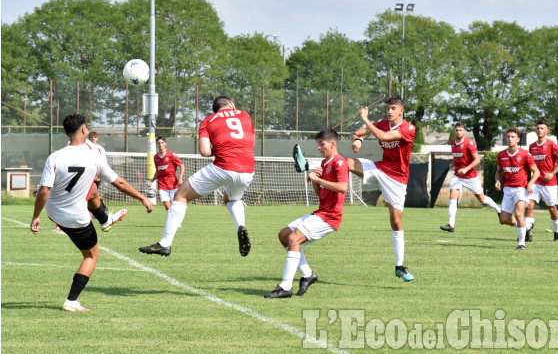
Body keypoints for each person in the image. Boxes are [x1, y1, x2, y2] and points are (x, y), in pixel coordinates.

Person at [30, 114, 153, 312]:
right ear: (84, 130)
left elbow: (44, 191)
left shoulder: (55, 156)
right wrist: (143, 198)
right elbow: (119, 182)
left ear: (65, 132)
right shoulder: (94, 156)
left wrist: (36, 216)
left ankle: (105, 220)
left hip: (54, 212)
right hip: (76, 218)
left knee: (93, 191)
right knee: (91, 256)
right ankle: (71, 301)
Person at [139, 96, 255, 257]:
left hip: (223, 166)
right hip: (247, 168)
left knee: (180, 195)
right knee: (231, 198)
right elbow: (251, 144)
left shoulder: (208, 121)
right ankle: (241, 226)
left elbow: (205, 152)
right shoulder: (244, 115)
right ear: (230, 104)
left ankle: (165, 244)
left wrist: (220, 149)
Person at [265, 128, 349, 298]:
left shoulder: (339, 162)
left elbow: (342, 188)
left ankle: (285, 287)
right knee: (284, 235)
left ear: (332, 144)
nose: (319, 147)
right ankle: (308, 274)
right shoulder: (325, 164)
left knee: (293, 238)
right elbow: (320, 193)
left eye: (321, 144)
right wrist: (314, 180)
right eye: (318, 144)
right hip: (320, 212)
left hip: (330, 216)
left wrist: (318, 179)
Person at [347, 96, 415, 282]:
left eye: (393, 108)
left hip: (397, 179)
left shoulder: (408, 128)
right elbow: (355, 133)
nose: (390, 111)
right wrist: (358, 140)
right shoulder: (382, 123)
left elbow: (383, 136)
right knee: (346, 163)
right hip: (379, 168)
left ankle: (399, 267)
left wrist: (366, 119)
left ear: (401, 110)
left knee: (395, 221)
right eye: (388, 108)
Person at [440, 123, 501, 232]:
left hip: (470, 176)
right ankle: (451, 225)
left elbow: (477, 160)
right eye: (456, 130)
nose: (458, 132)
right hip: (458, 176)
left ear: (464, 132)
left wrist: (466, 169)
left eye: (460, 130)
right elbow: (458, 157)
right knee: (453, 195)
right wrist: (453, 164)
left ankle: (499, 210)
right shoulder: (453, 143)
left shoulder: (469, 143)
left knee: (482, 199)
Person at [495, 128, 540, 251]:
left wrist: (530, 184)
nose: (510, 139)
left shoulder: (525, 154)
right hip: (507, 190)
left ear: (518, 139)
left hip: (521, 189)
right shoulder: (501, 155)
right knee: (504, 219)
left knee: (519, 214)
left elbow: (536, 172)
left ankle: (521, 243)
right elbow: (498, 172)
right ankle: (525, 227)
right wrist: (498, 181)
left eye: (512, 137)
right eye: (508, 137)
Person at [525, 120, 558, 242]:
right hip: (536, 183)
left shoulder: (552, 145)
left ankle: (557, 233)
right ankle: (528, 232)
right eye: (538, 128)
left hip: (550, 183)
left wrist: (552, 173)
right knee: (529, 206)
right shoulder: (532, 146)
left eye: (542, 128)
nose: (539, 130)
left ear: (547, 131)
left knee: (552, 209)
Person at [148, 136, 185, 211]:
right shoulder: (155, 157)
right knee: (166, 203)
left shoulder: (171, 154)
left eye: (162, 143)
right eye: (159, 143)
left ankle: (174, 218)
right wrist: (152, 181)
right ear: (156, 144)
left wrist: (180, 179)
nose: (160, 145)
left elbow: (182, 166)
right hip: (162, 184)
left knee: (175, 203)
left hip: (173, 184)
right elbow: (158, 171)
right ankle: (171, 217)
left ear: (165, 143)